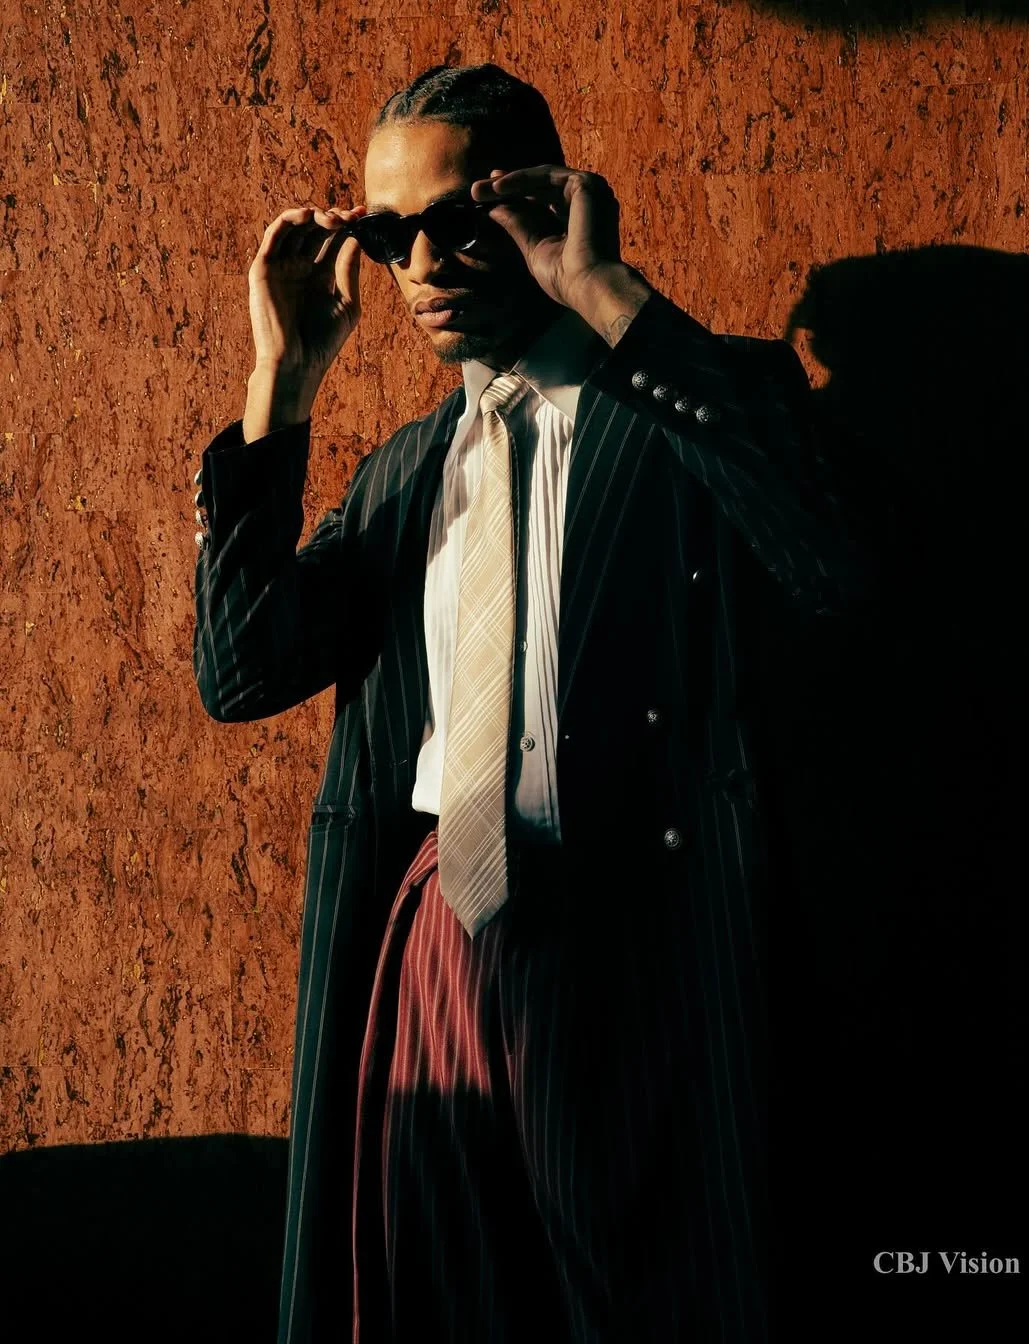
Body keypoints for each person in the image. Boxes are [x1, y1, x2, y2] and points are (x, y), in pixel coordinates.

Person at [192, 62, 866, 1344]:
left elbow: (829, 570)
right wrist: (282, 381)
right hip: (434, 945)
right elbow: (241, 670)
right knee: (442, 1304)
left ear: (537, 202)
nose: (423, 266)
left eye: (458, 222)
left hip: (635, 939)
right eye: (389, 237)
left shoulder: (679, 410)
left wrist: (603, 292)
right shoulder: (402, 474)